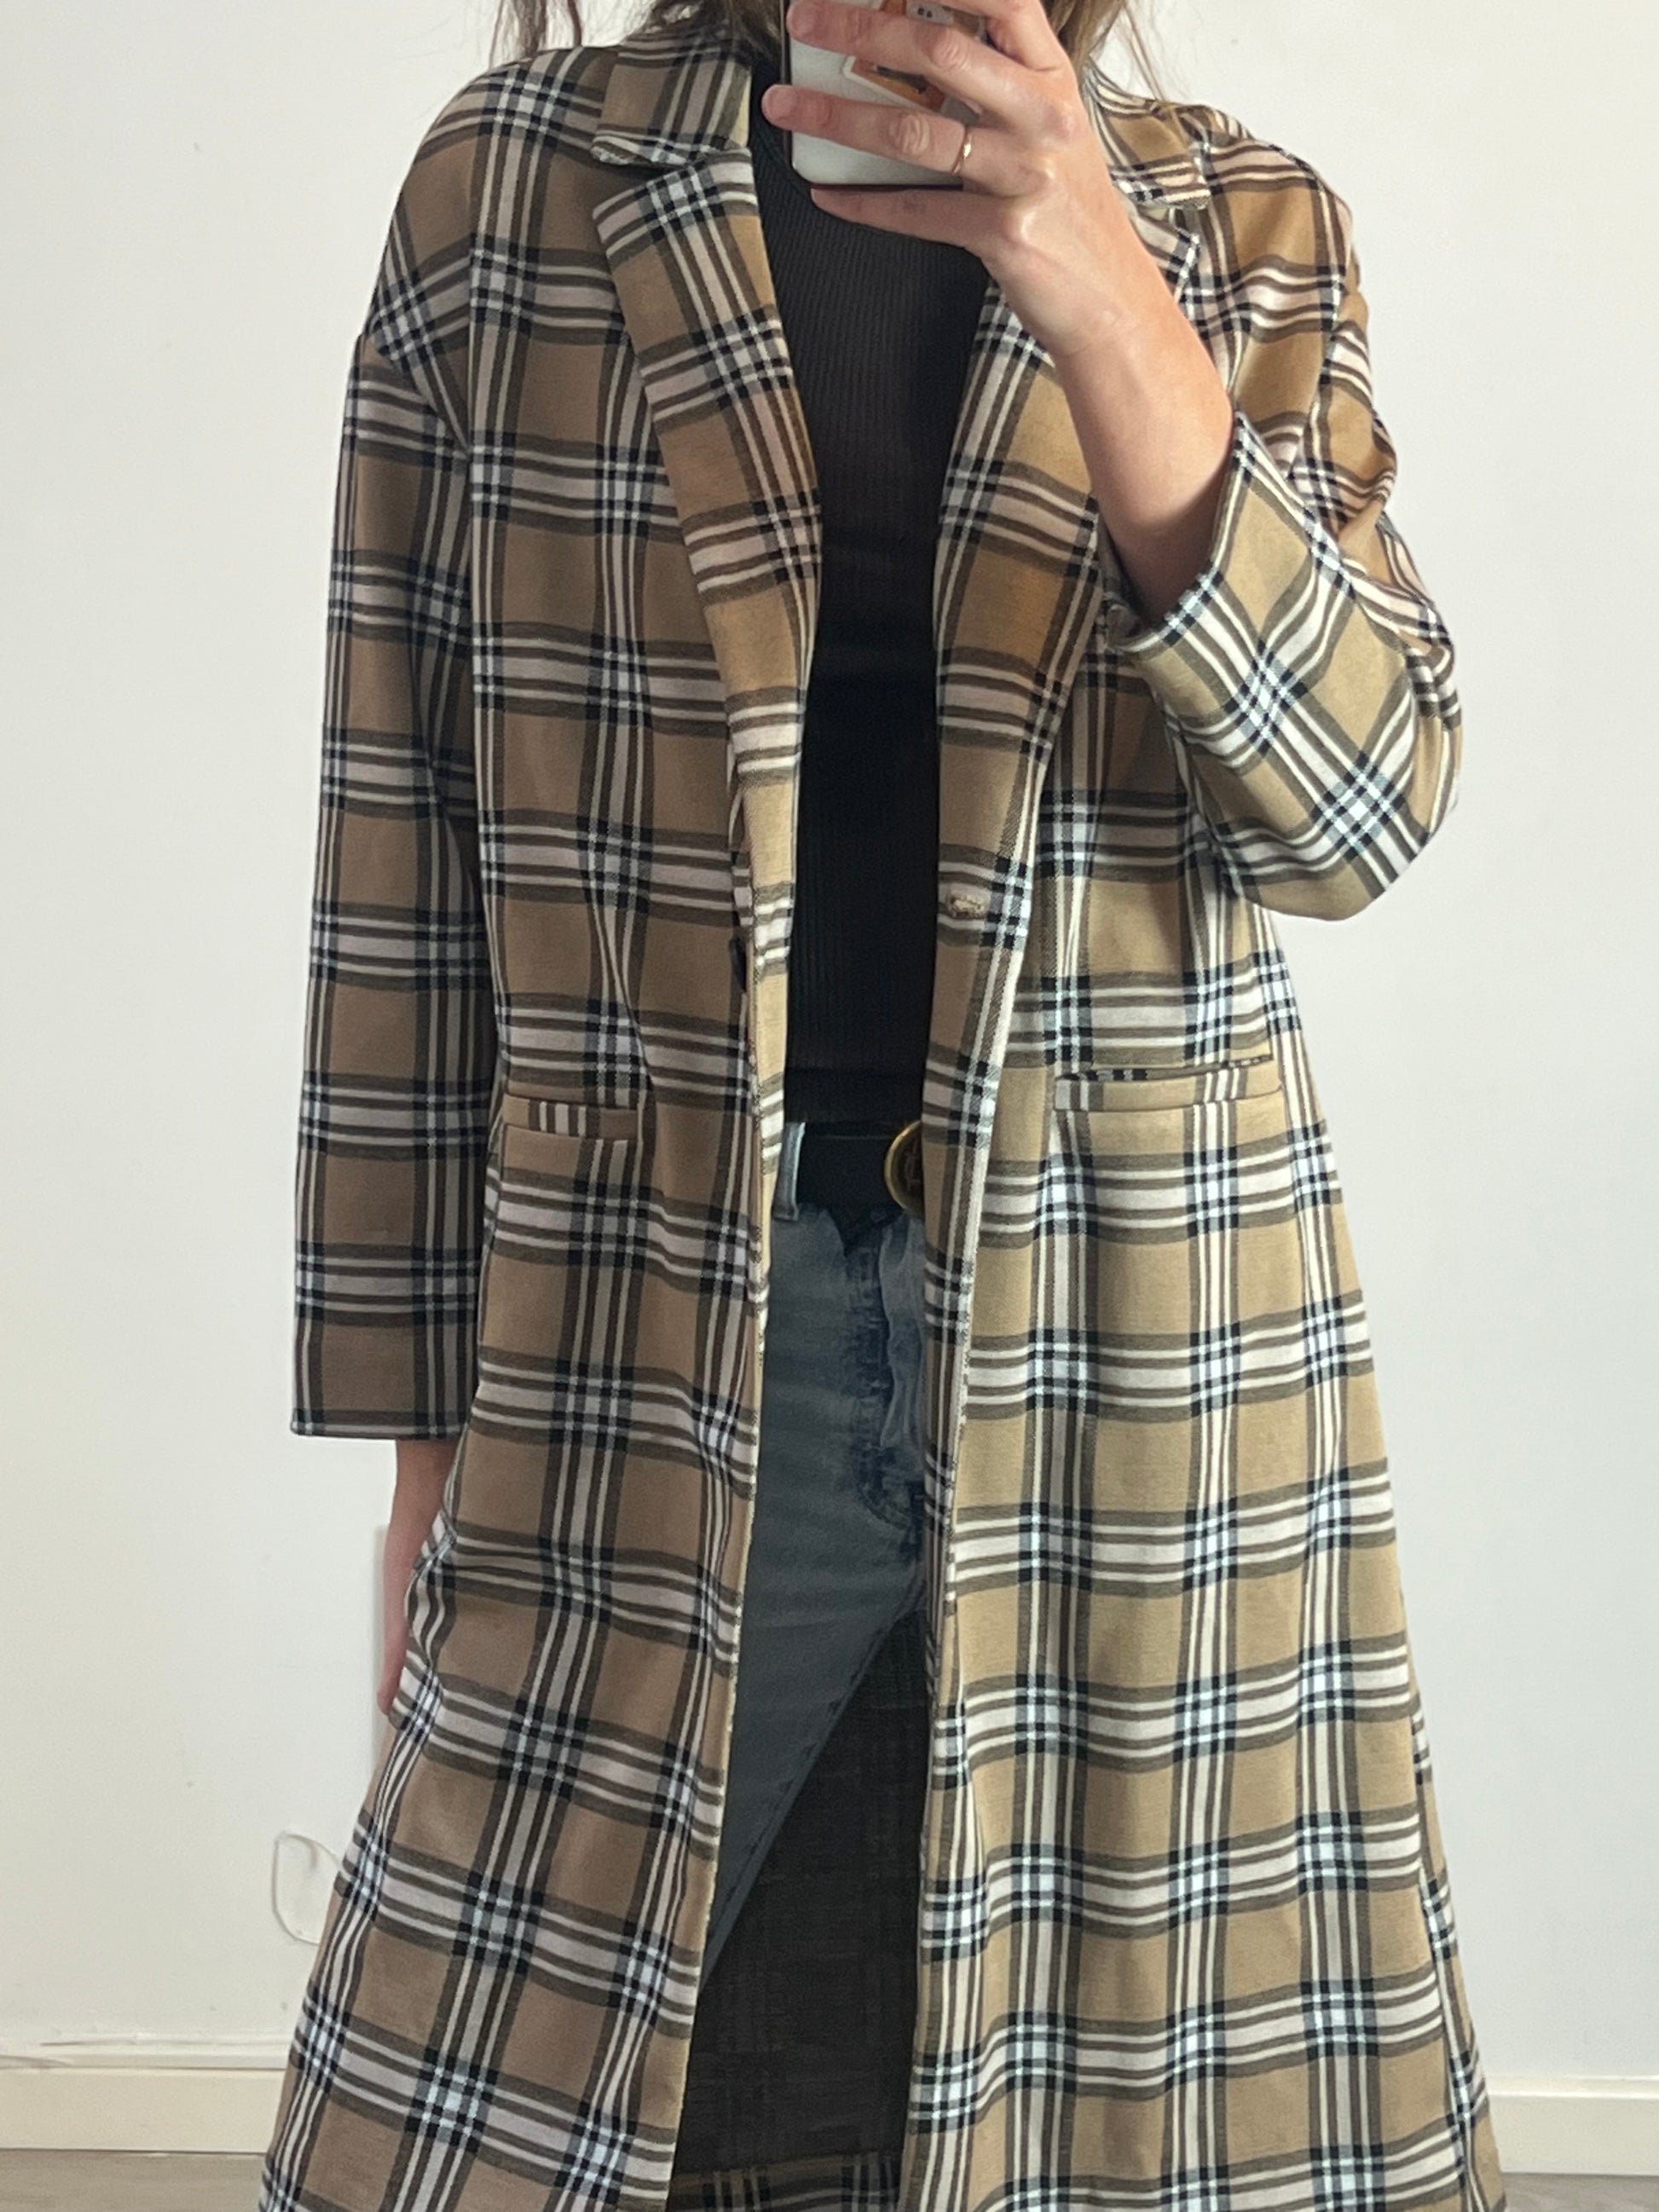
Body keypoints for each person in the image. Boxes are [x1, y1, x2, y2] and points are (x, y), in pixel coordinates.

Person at [262, 0, 1510, 2206]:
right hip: (651, 1335)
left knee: (1095, 2103)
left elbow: (1360, 806)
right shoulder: (517, 186)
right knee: (575, 2109)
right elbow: (404, 875)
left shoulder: (1234, 225)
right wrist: (420, 1479)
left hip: (1141, 1348)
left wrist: (1095, 280)